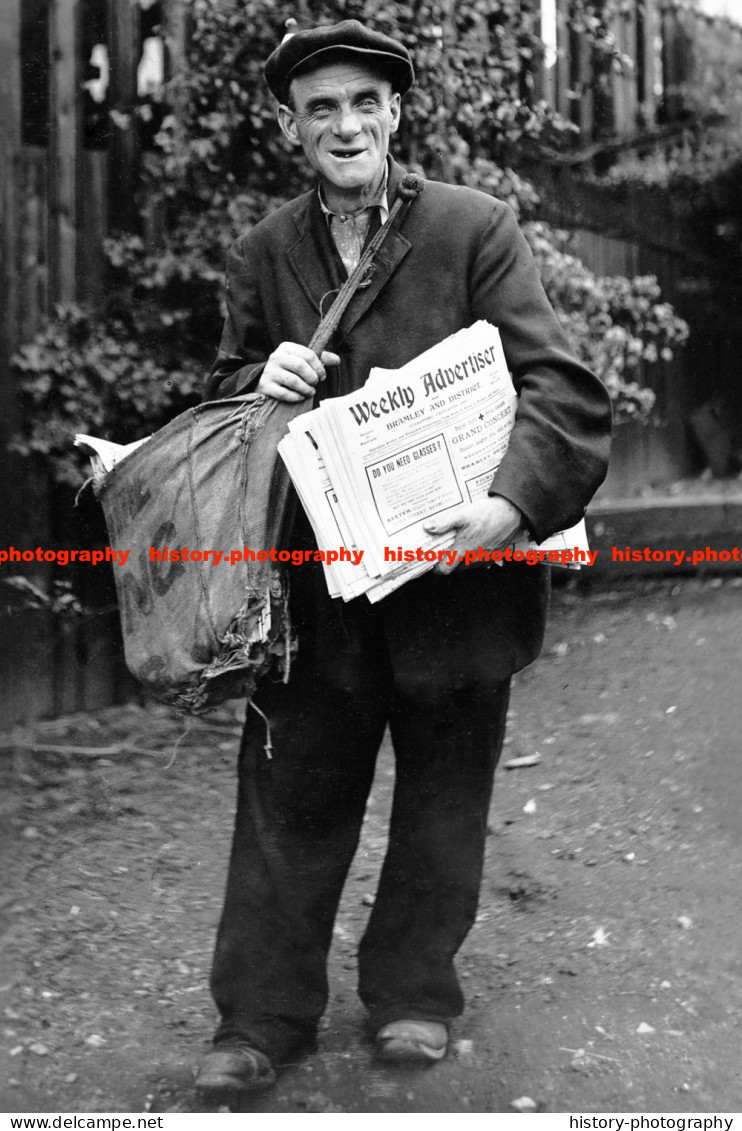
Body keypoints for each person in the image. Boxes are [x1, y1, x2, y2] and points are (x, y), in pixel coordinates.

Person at [195, 19, 612, 1097]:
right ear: (291, 130)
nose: (345, 124)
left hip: (459, 582)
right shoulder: (259, 253)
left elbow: (562, 386)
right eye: (320, 108)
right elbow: (224, 400)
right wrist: (258, 382)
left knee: (442, 797)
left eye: (363, 103)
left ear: (395, 113)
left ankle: (414, 995)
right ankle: (263, 1016)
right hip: (317, 593)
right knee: (289, 801)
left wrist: (512, 507)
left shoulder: (474, 228)